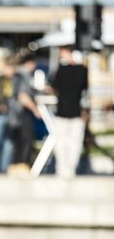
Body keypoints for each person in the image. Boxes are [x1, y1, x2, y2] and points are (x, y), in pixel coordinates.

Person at [50, 46, 89, 178]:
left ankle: (63, 168)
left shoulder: (63, 70)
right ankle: (69, 169)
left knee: (64, 142)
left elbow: (54, 87)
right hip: (76, 111)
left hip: (65, 111)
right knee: (73, 142)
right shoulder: (83, 70)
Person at [9, 55, 41, 174]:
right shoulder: (24, 76)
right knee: (26, 139)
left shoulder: (16, 74)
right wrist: (34, 109)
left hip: (13, 113)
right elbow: (23, 96)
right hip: (22, 112)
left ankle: (16, 165)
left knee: (18, 141)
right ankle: (22, 166)